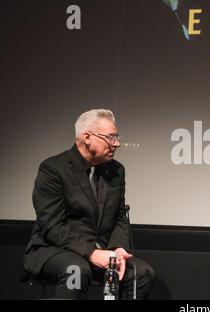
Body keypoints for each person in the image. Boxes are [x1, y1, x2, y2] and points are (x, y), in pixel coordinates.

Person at [24, 109, 154, 299]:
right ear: (87, 137)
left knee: (141, 273)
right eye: (110, 137)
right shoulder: (53, 170)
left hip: (102, 252)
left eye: (117, 137)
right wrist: (91, 253)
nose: (116, 143)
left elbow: (119, 216)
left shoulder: (116, 171)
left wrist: (118, 248)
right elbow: (52, 225)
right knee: (76, 270)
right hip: (55, 249)